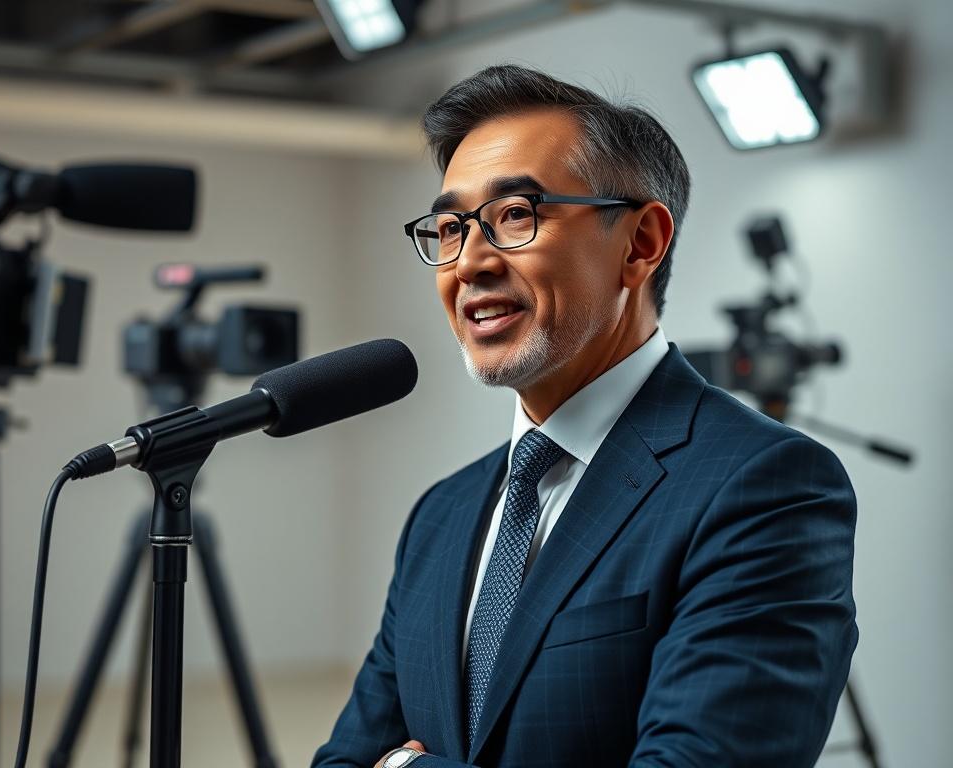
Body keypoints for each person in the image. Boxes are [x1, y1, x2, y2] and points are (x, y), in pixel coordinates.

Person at [312, 64, 857, 768]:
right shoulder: (440, 517)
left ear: (639, 244)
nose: (469, 262)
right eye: (449, 228)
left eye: (515, 216)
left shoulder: (764, 487)